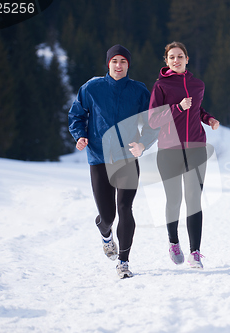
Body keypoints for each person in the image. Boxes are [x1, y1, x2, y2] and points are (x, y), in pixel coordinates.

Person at [68, 44, 158, 278]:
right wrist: (80, 136)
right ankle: (105, 234)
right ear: (108, 64)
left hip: (127, 158)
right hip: (99, 158)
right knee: (108, 216)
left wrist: (142, 144)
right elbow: (77, 115)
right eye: (115, 61)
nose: (119, 66)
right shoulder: (92, 88)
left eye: (123, 62)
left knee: (125, 208)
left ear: (129, 65)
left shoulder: (139, 91)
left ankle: (124, 262)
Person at [149, 41, 219, 269]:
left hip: (197, 147)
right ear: (166, 61)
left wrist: (208, 119)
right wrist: (178, 107)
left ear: (187, 59)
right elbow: (153, 120)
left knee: (194, 200)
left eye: (180, 56)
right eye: (171, 57)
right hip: (169, 149)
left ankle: (195, 252)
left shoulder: (198, 85)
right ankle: (173, 242)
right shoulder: (161, 86)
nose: (176, 60)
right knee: (174, 199)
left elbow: (197, 109)